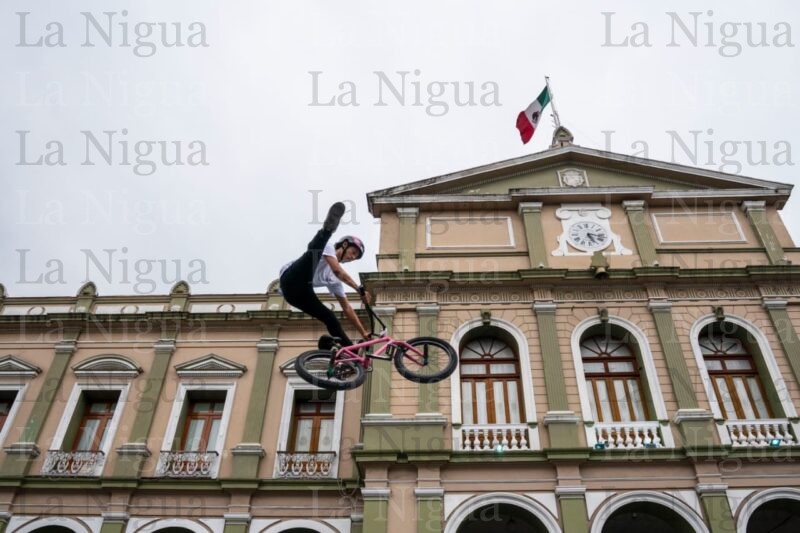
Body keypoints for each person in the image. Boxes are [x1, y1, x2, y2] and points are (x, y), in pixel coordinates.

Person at [279, 202, 372, 348]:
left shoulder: (336, 280)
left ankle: (350, 353)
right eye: (353, 252)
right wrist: (359, 289)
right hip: (291, 277)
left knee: (330, 317)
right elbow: (337, 270)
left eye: (355, 257)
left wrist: (363, 332)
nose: (352, 257)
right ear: (344, 244)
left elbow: (347, 308)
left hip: (298, 296)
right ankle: (327, 230)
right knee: (314, 253)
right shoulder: (329, 248)